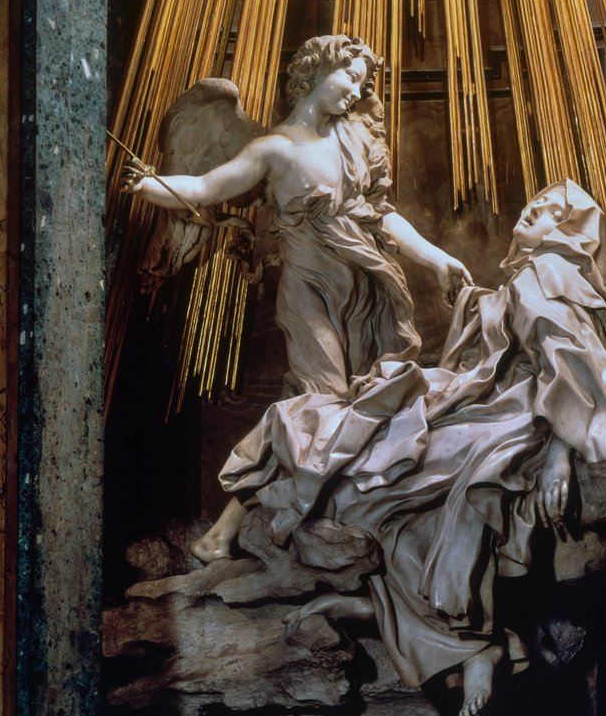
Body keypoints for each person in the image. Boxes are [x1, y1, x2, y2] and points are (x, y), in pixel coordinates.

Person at [199, 178, 606, 716]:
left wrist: (559, 455)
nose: (534, 208)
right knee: (368, 446)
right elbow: (520, 344)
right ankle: (467, 643)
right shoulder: (532, 275)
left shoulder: (549, 271)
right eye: (536, 200)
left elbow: (575, 361)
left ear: (571, 234)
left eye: (552, 210)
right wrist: (475, 305)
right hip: (485, 403)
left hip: (511, 415)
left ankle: (469, 644)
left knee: (387, 469)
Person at [123, 34, 472, 560]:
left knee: (364, 405)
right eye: (350, 77)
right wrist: (151, 186)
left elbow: (384, 217)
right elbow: (207, 188)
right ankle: (231, 530)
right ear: (313, 71)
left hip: (369, 290)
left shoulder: (356, 140)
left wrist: (438, 259)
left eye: (363, 84)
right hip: (309, 290)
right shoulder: (272, 149)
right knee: (321, 405)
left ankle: (312, 524)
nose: (356, 91)